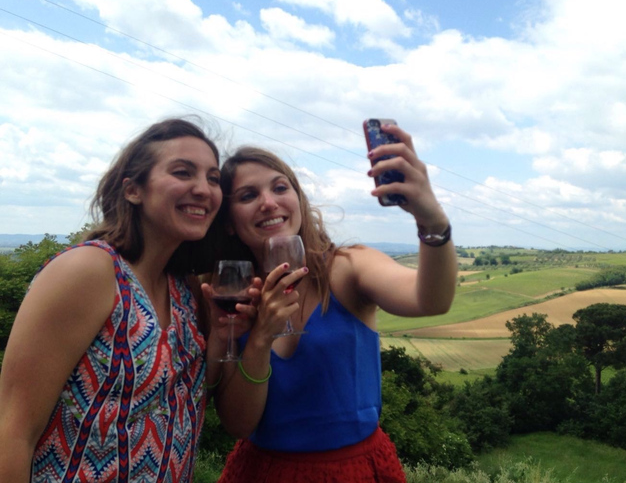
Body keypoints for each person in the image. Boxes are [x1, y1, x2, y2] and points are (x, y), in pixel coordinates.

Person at [209, 122, 457, 482]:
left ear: (298, 200)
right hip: (262, 472)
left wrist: (430, 216)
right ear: (229, 223)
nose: (268, 202)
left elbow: (430, 300)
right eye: (248, 196)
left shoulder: (347, 268)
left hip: (353, 471)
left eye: (280, 187)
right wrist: (260, 338)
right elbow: (238, 424)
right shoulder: (231, 296)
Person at [0, 118, 231, 482]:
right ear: (133, 190)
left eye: (213, 178)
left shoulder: (184, 289)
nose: (203, 189)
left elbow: (192, 397)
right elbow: (12, 431)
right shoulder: (90, 271)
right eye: (183, 172)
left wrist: (222, 334)